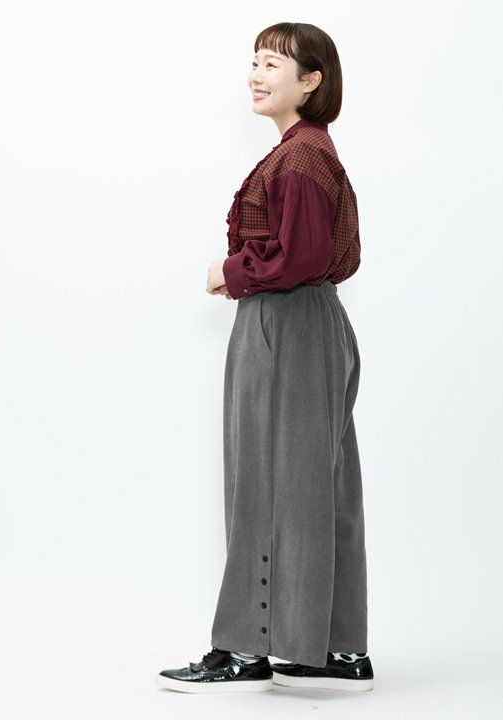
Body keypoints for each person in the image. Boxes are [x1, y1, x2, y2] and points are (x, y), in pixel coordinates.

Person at [156, 21, 373, 694]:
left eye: (273, 63)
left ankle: (249, 649)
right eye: (254, 61)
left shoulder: (301, 157)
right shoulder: (304, 151)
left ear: (311, 81)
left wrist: (232, 272)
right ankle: (331, 650)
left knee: (269, 483)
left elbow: (301, 257)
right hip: (306, 321)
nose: (256, 74)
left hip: (289, 321)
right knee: (314, 486)